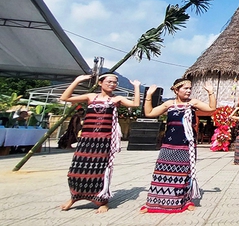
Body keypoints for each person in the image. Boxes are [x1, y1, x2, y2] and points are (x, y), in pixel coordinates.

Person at [59, 74, 141, 213]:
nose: (112, 84)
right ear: (100, 83)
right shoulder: (91, 97)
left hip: (104, 140)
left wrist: (137, 87)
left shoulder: (116, 99)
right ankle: (74, 197)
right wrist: (77, 81)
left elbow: (135, 104)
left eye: (115, 82)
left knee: (101, 171)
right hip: (87, 139)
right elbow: (65, 98)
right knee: (76, 170)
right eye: (109, 82)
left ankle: (102, 200)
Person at [140, 79, 217, 213]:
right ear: (176, 90)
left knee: (184, 173)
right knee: (162, 171)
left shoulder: (193, 103)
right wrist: (148, 97)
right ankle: (155, 202)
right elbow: (150, 113)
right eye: (185, 88)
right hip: (169, 144)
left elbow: (211, 109)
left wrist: (210, 93)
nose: (188, 91)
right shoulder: (169, 104)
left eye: (189, 88)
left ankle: (185, 201)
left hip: (186, 145)